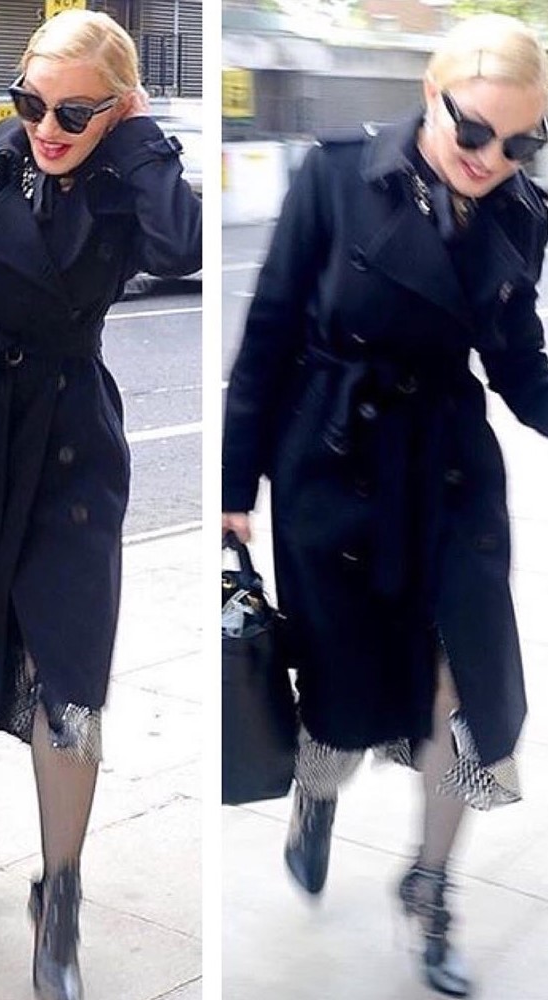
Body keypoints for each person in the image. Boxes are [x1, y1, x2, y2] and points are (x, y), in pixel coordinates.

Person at [0, 9, 200, 999]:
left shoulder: (127, 178)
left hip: (68, 452)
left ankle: (60, 900)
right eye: (30, 102)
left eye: (76, 112)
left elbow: (180, 247)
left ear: (117, 111)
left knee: (69, 683)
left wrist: (137, 136)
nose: (47, 127)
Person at [222, 13, 547, 997]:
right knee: (341, 695)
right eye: (473, 129)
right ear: (428, 98)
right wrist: (234, 489)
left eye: (520, 142)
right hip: (333, 467)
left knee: (466, 693)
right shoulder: (333, 177)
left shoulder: (520, 214)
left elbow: (517, 365)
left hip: (447, 473)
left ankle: (429, 883)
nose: (491, 157)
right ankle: (315, 794)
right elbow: (268, 333)